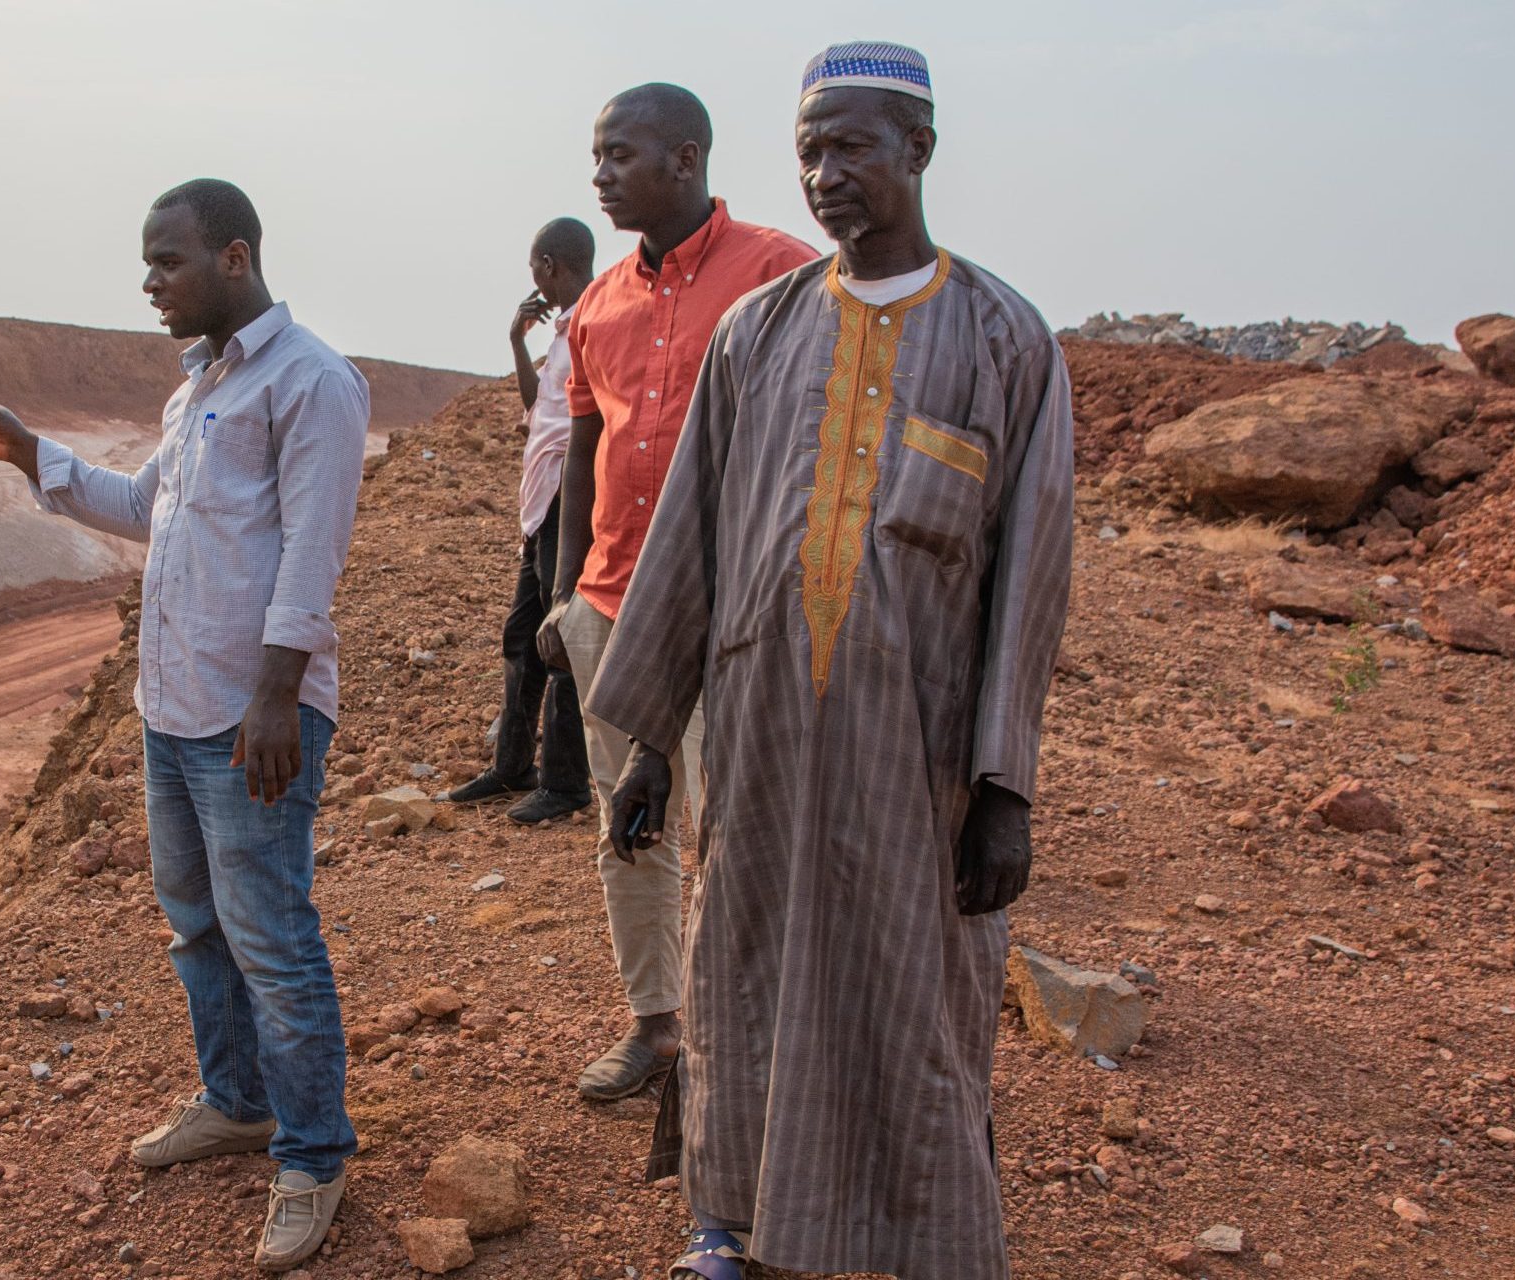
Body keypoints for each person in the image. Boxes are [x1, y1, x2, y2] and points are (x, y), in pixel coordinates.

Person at [586, 43, 1074, 1280]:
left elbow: (1031, 576)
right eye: (808, 149)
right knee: (741, 965)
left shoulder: (1005, 336)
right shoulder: (759, 331)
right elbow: (689, 536)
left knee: (916, 997)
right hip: (757, 732)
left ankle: (927, 1238)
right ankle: (731, 1225)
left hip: (915, 752)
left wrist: (1004, 788)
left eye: (853, 145)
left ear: (916, 149)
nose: (826, 174)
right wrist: (651, 737)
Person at [0, 178, 367, 1272]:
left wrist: (276, 695)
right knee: (197, 924)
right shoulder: (196, 393)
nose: (147, 282)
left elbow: (313, 553)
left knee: (271, 935)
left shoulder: (311, 381)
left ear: (233, 257)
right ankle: (237, 1101)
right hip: (172, 710)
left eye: (165, 262)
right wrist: (36, 455)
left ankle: (313, 1153)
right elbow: (149, 511)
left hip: (249, 715)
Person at [532, 83, 818, 1103]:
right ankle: (656, 1025)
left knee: (738, 835)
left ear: (685, 159)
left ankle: (755, 1047)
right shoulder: (597, 304)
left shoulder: (781, 272)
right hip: (609, 608)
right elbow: (582, 451)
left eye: (618, 154)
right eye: (596, 155)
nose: (600, 174)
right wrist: (563, 600)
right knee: (628, 826)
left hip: (732, 611)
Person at [443, 216, 598, 825]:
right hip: (542, 507)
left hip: (569, 500)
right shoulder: (561, 329)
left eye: (534, 266)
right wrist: (516, 341)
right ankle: (514, 768)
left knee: (561, 638)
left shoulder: (595, 318)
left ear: (549, 265)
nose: (531, 277)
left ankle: (566, 783)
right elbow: (543, 408)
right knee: (522, 635)